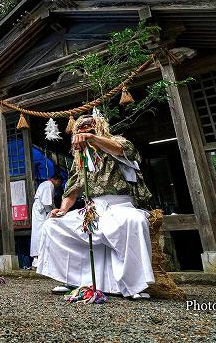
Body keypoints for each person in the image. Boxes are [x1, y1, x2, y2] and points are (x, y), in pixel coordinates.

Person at [36, 114, 154, 299]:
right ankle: (74, 280)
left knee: (136, 221)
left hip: (120, 205)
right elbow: (73, 189)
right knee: (52, 226)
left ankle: (133, 286)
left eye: (89, 129)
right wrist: (63, 209)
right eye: (81, 131)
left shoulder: (117, 141)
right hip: (93, 209)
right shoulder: (80, 157)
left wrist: (92, 139)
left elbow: (122, 150)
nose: (84, 133)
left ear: (98, 128)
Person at [30, 174, 63, 268]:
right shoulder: (49, 185)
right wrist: (54, 212)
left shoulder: (45, 184)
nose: (58, 186)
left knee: (39, 233)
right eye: (59, 183)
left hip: (40, 210)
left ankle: (39, 258)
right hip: (41, 211)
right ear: (57, 181)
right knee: (40, 233)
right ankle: (37, 258)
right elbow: (47, 202)